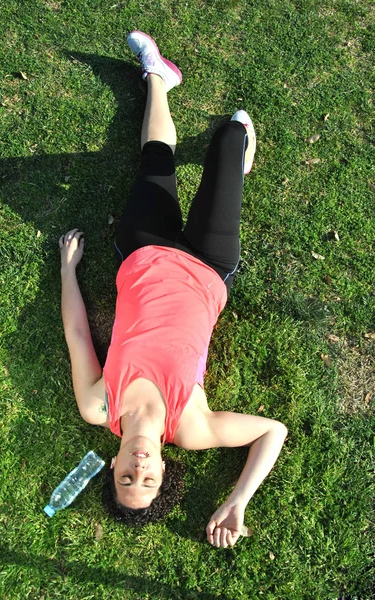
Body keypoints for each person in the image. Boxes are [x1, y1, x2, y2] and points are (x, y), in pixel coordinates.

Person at [59, 30, 287, 548]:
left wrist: (69, 272)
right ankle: (236, 158)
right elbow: (273, 431)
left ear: (110, 466)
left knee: (155, 160)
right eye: (149, 479)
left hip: (141, 253)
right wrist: (236, 501)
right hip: (208, 266)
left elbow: (77, 335)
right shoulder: (192, 428)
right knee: (231, 135)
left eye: (125, 478)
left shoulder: (98, 407)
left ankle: (158, 75)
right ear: (165, 469)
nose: (138, 468)